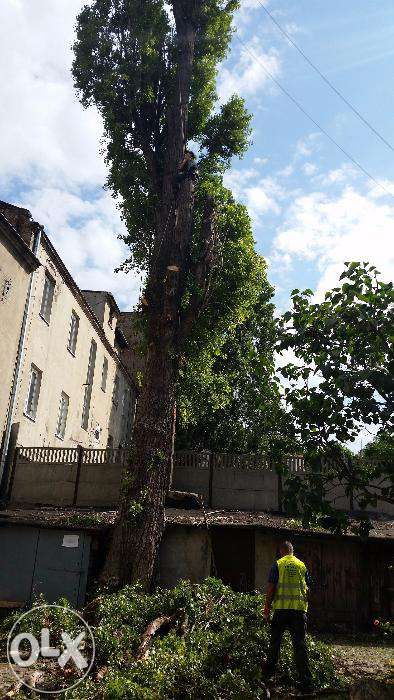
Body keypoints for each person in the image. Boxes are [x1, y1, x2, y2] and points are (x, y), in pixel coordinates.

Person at [263, 541, 313, 693]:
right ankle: (306, 682)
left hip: (281, 611)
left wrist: (267, 608)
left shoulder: (278, 565)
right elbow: (308, 589)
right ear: (292, 551)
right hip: (298, 612)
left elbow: (271, 588)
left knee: (275, 644)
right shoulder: (302, 566)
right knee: (300, 646)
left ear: (281, 551)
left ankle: (269, 677)